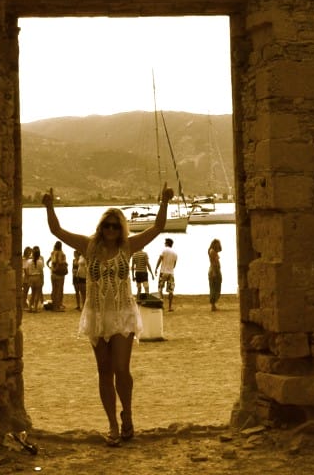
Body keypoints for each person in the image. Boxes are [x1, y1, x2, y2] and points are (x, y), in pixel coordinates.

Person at [43, 183, 173, 446]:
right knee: (104, 372)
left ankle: (128, 414)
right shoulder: (87, 246)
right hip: (97, 316)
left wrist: (164, 201)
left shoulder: (128, 246)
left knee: (121, 369)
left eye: (115, 226)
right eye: (107, 225)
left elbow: (157, 228)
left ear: (121, 228)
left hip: (122, 314)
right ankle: (113, 424)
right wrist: (48, 206)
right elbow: (56, 230)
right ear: (101, 227)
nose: (111, 230)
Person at [155, 238, 178, 311]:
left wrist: (156, 268)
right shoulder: (175, 253)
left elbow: (160, 259)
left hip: (163, 272)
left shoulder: (164, 250)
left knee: (160, 289)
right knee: (171, 290)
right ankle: (170, 307)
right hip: (171, 273)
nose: (164, 244)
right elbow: (174, 265)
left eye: (165, 243)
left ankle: (162, 306)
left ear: (167, 243)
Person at [47, 240, 68, 311]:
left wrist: (51, 268)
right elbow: (59, 262)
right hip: (60, 274)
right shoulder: (62, 254)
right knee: (59, 290)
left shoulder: (52, 253)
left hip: (53, 273)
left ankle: (54, 305)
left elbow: (47, 262)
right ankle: (57, 306)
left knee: (54, 289)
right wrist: (64, 264)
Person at [26, 246, 45, 312]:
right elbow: (41, 272)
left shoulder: (28, 261)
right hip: (38, 277)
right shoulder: (40, 262)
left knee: (32, 293)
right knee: (37, 293)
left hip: (31, 277)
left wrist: (28, 278)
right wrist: (43, 280)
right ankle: (35, 308)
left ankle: (30, 307)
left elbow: (27, 271)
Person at [208, 238, 223, 312]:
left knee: (217, 286)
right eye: (218, 244)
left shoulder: (214, 251)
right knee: (214, 287)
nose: (219, 245)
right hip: (214, 270)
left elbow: (220, 250)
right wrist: (214, 272)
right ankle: (213, 305)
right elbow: (213, 262)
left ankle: (213, 305)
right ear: (214, 244)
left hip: (216, 270)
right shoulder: (212, 251)